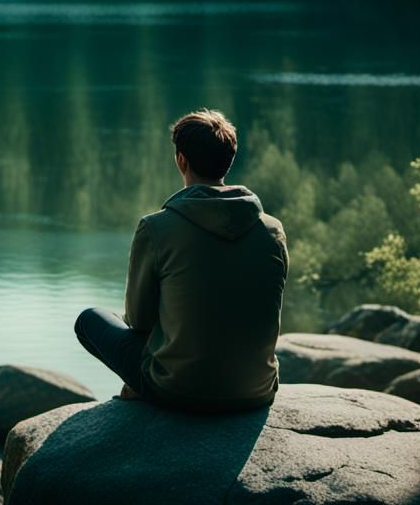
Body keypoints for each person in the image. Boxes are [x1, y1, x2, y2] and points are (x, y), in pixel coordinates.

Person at [75, 109, 288, 413]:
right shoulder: (272, 229)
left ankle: (143, 388)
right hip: (256, 390)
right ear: (230, 158)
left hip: (177, 391)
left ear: (181, 160)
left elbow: (138, 319)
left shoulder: (157, 227)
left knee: (90, 320)